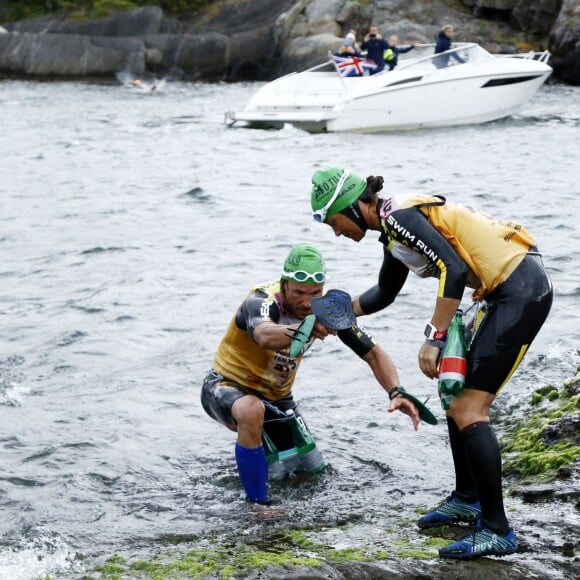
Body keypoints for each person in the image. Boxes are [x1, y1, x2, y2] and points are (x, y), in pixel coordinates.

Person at [309, 167, 553, 559]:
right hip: (504, 290)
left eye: (333, 222)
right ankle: (467, 498)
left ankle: (496, 529)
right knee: (454, 398)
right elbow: (385, 293)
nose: (336, 232)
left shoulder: (398, 216)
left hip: (520, 289)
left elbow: (451, 270)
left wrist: (434, 337)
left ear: (354, 206)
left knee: (470, 408)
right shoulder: (392, 230)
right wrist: (336, 314)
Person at [201, 243, 420, 505]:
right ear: (284, 285)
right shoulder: (261, 300)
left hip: (277, 398)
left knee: (311, 473)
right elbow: (263, 335)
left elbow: (373, 353)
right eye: (299, 293)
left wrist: (395, 391)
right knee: (251, 410)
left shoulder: (323, 309)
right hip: (226, 387)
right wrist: (304, 328)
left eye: (315, 292)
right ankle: (257, 506)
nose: (306, 302)